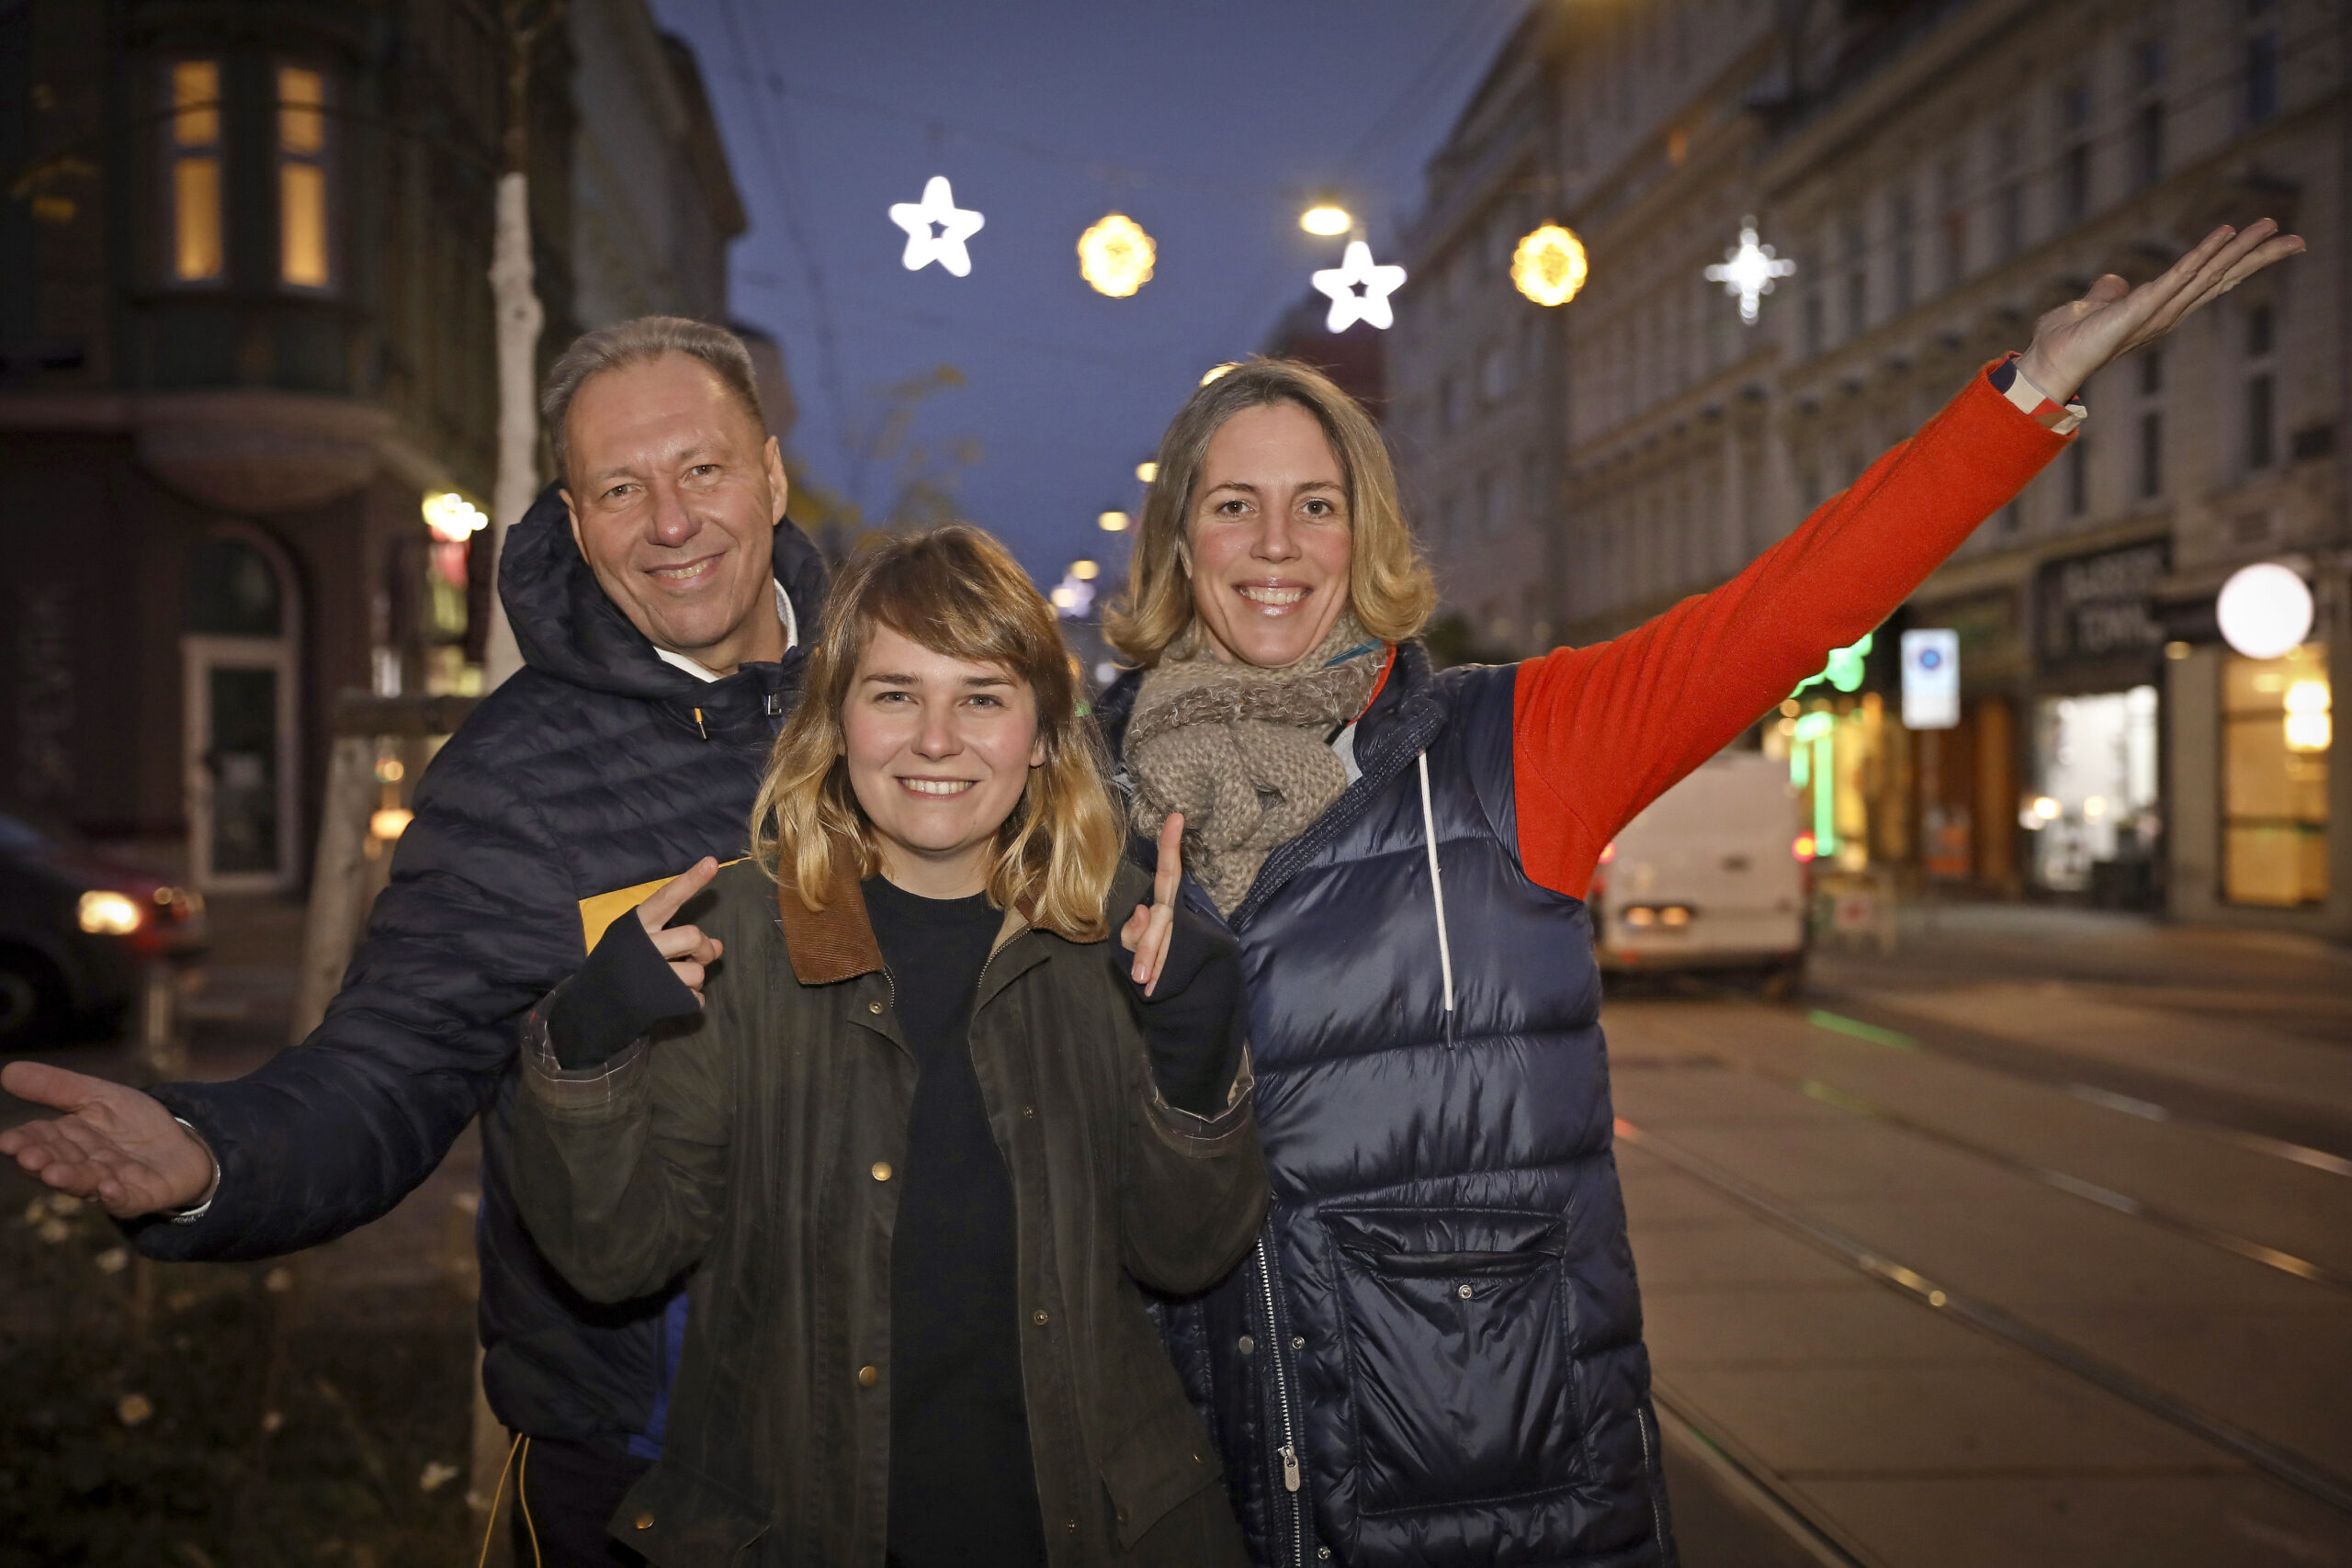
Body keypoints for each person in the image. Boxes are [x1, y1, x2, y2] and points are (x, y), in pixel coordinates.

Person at [1088, 221, 2305, 1568]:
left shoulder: (1514, 744)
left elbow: (1785, 611)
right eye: (1232, 502)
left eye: (1316, 501)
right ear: (1178, 537)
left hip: (1494, 1470)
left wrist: (2023, 397)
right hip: (1205, 1469)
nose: (1276, 544)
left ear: (1363, 528)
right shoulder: (1102, 794)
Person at [0, 316, 828, 1565]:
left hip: (910, 1418)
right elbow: (392, 1066)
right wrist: (212, 1151)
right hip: (646, 1454)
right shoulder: (511, 775)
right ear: (573, 511)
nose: (670, 521)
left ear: (768, 472)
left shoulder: (902, 705)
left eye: (701, 469)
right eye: (622, 486)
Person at [508, 525, 1268, 1565]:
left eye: (983, 697)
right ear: (836, 722)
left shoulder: (1125, 937)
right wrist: (587, 1044)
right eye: (896, 693)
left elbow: (1185, 1254)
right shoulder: (732, 940)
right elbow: (615, 1260)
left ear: (1044, 732)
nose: (937, 740)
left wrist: (1193, 1061)